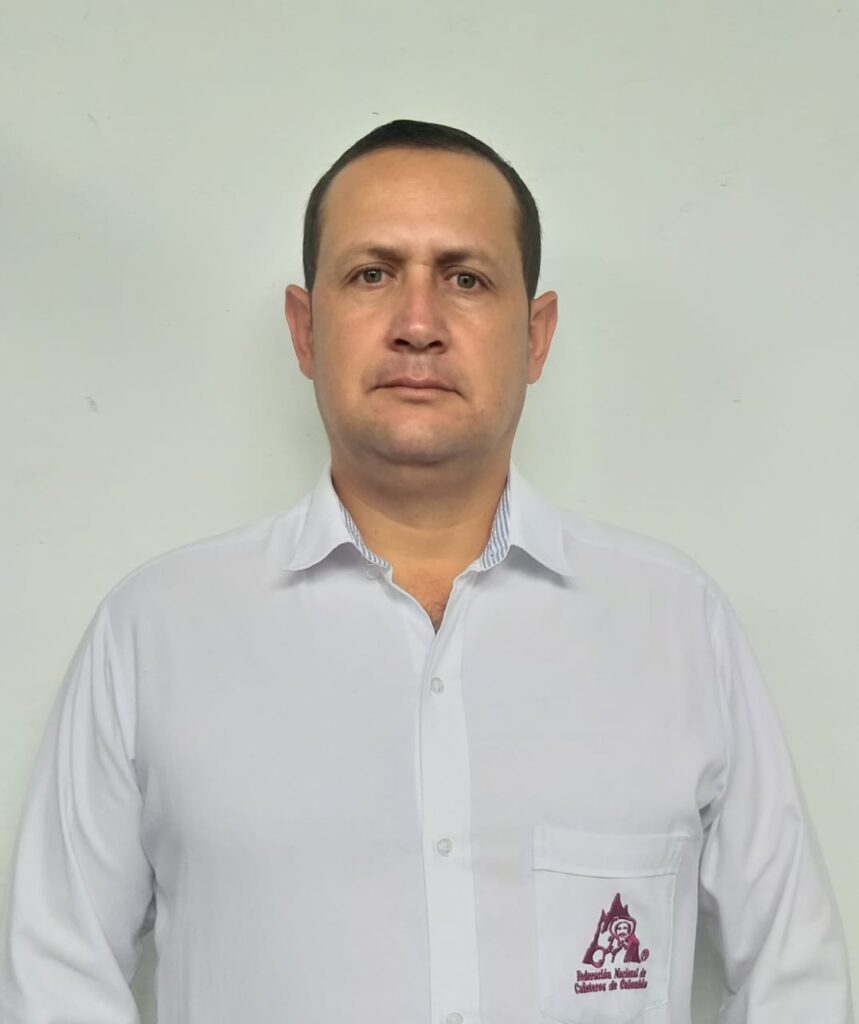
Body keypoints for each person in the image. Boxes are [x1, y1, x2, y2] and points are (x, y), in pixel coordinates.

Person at [0, 118, 852, 1024]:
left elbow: (795, 981)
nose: (417, 325)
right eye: (372, 275)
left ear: (535, 335)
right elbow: (55, 984)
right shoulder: (155, 633)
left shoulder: (673, 625)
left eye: (465, 278)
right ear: (304, 329)